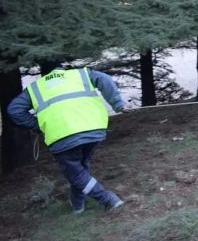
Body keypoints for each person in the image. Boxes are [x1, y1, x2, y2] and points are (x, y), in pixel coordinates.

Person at [7, 60, 127, 213]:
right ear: (62, 67)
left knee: (76, 175)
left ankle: (108, 199)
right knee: (81, 168)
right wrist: (118, 104)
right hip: (93, 128)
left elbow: (14, 109)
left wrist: (37, 126)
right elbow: (105, 79)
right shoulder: (81, 73)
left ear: (44, 73)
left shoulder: (36, 87)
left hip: (62, 136)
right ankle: (77, 206)